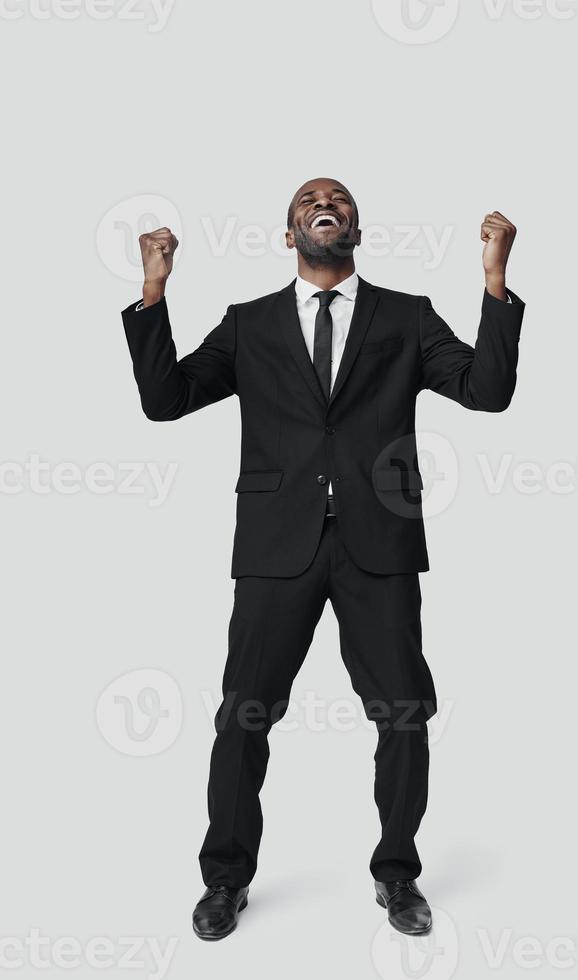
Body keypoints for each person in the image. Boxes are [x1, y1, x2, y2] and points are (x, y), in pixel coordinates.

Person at [121, 177, 525, 941]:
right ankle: (225, 880)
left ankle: (397, 874)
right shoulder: (248, 325)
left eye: (336, 198)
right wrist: (153, 293)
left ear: (356, 230)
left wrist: (496, 284)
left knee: (404, 713)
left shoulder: (406, 318)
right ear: (290, 233)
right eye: (308, 200)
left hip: (380, 544)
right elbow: (165, 400)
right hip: (277, 546)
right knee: (245, 713)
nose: (323, 203)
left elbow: (488, 392)